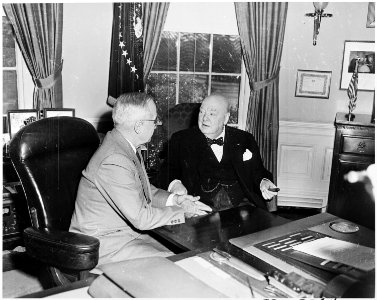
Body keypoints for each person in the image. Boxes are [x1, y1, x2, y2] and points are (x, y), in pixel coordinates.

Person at [70, 93, 211, 266]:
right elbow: (142, 218)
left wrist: (175, 199)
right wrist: (183, 211)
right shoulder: (114, 159)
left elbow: (145, 190)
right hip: (106, 245)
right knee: (182, 263)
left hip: (128, 234)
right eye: (154, 120)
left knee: (193, 254)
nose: (158, 124)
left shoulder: (123, 146)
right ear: (138, 126)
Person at [161, 94, 278, 211]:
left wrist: (264, 182)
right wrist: (175, 184)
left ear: (226, 118)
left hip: (242, 207)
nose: (204, 118)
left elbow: (257, 171)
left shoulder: (244, 139)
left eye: (212, 114)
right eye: (201, 112)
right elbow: (167, 171)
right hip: (200, 207)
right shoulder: (181, 139)